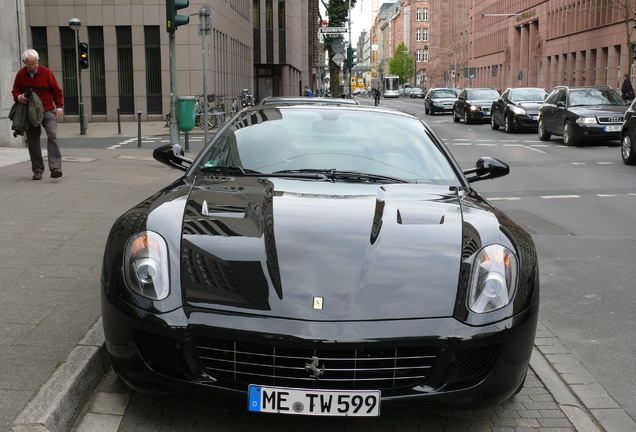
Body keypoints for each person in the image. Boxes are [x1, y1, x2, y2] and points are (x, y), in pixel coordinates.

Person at [12, 49, 64, 180]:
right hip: (30, 112)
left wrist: (59, 107)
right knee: (33, 140)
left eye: (35, 63)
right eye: (29, 65)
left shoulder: (46, 73)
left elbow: (57, 91)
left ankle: (55, 168)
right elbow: (15, 91)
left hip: (47, 109)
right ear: (24, 62)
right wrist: (19, 97)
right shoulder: (20, 74)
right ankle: (37, 170)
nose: (33, 67)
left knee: (52, 135)